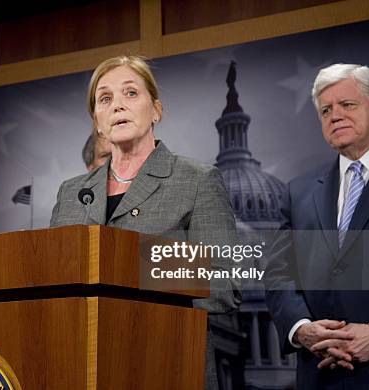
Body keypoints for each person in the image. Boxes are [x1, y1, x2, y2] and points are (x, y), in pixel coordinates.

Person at [50, 55, 240, 389]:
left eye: (130, 93)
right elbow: (54, 284)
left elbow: (223, 284)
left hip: (166, 366)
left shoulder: (197, 180)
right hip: (84, 368)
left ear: (156, 110)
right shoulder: (71, 193)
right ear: (97, 121)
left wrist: (127, 264)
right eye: (105, 99)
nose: (117, 106)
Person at [265, 64, 369, 388]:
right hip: (318, 374)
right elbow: (279, 271)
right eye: (325, 110)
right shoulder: (299, 190)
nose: (334, 115)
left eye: (347, 105)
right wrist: (301, 327)